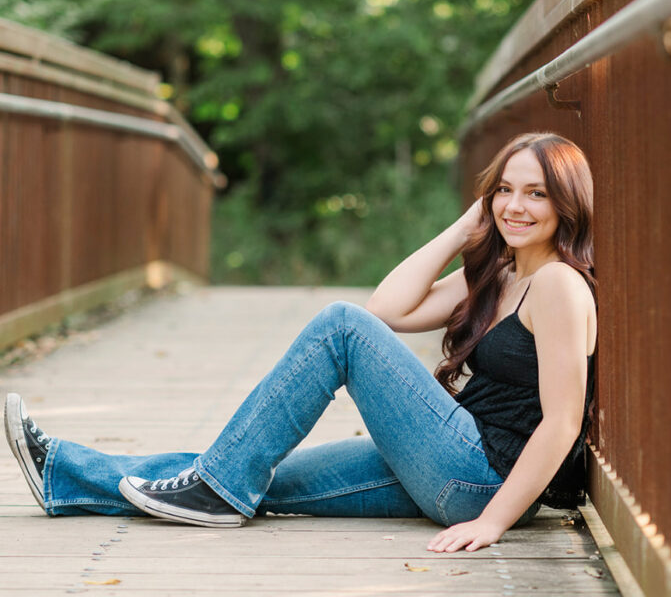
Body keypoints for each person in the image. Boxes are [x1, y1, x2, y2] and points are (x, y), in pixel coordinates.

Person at [4, 131, 596, 553]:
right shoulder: (501, 273)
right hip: (444, 465)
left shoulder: (558, 287)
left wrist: (492, 522)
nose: (515, 206)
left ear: (566, 203)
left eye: (537, 194)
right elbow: (389, 308)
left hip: (481, 480)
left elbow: (562, 422)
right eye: (505, 191)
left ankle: (217, 489)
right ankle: (64, 473)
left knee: (340, 326)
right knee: (250, 470)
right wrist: (463, 230)